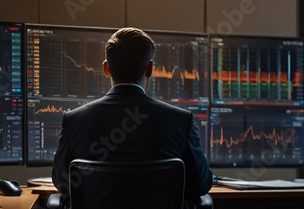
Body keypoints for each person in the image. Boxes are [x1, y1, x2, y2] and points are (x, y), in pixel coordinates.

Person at [52, 27, 212, 208]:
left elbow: (62, 184)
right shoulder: (181, 120)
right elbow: (202, 184)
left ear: (106, 69)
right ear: (150, 68)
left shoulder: (74, 120)